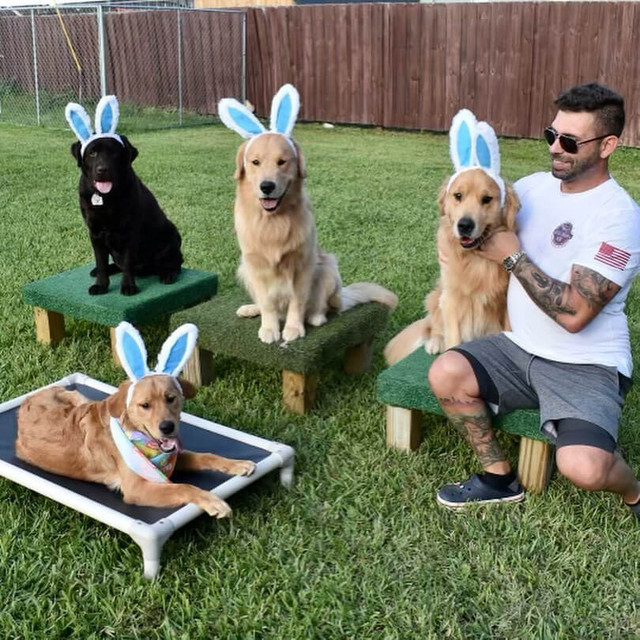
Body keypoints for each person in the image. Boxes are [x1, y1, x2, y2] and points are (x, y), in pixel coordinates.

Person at [428, 82, 640, 514]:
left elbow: (576, 313)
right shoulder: (529, 189)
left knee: (585, 467)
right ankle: (498, 477)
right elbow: (468, 222)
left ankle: (635, 491)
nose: (555, 149)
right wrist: (451, 241)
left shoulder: (618, 216)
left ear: (608, 145)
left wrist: (513, 257)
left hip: (586, 364)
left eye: (569, 141)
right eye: (551, 136)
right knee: (446, 372)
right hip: (518, 346)